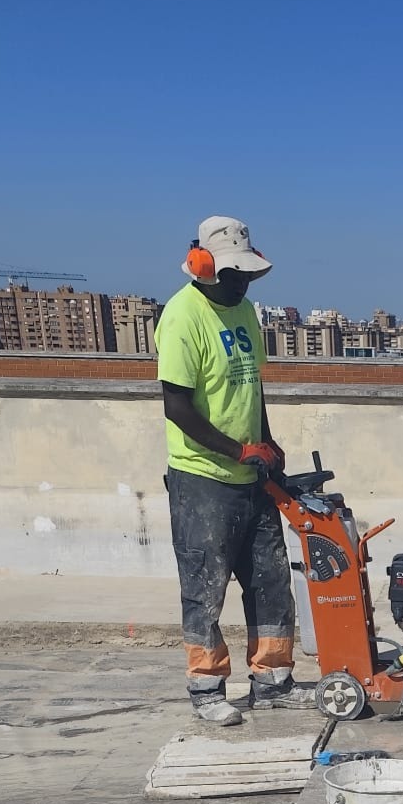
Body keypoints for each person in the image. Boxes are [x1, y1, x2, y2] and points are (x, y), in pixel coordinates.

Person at [155, 216, 313, 726]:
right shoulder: (183, 318)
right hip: (202, 478)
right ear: (203, 267)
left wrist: (265, 442)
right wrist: (236, 451)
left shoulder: (245, 311)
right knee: (206, 587)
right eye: (233, 275)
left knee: (270, 581)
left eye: (247, 274)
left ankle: (272, 681)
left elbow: (252, 387)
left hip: (251, 476)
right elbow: (176, 406)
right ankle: (206, 689)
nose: (242, 283)